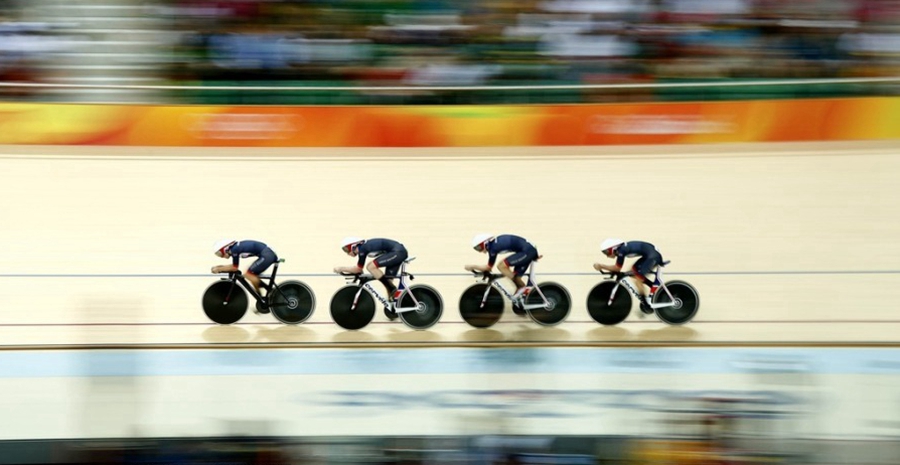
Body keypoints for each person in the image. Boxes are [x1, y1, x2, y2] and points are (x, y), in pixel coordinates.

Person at [333, 237, 408, 320]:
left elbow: (358, 269)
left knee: (371, 267)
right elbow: (359, 269)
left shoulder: (363, 249)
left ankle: (392, 288)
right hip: (396, 252)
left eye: (347, 250)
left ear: (353, 246)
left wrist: (341, 268)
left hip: (398, 252)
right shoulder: (363, 248)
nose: (347, 253)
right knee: (387, 281)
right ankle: (394, 305)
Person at [593, 238, 663, 314]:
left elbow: (617, 268)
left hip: (653, 256)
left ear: (612, 249)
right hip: (650, 254)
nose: (607, 255)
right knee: (633, 271)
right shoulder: (621, 249)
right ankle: (652, 285)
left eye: (606, 252)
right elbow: (617, 269)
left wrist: (601, 266)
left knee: (638, 281)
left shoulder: (621, 251)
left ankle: (646, 305)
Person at [465, 234, 540, 302]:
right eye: (477, 249)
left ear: (484, 243)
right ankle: (525, 294)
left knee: (501, 266)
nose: (479, 251)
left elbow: (488, 268)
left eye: (479, 248)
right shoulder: (493, 244)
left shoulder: (493, 247)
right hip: (528, 250)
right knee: (517, 280)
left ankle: (525, 289)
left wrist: (473, 266)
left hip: (528, 251)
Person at [212, 239, 278, 313]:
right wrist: (220, 267)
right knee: (251, 275)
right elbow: (233, 266)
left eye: (220, 254)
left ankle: (266, 296)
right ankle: (264, 296)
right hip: (266, 254)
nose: (221, 257)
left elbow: (234, 267)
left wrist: (219, 269)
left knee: (248, 274)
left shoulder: (234, 250)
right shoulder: (234, 248)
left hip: (267, 255)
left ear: (224, 248)